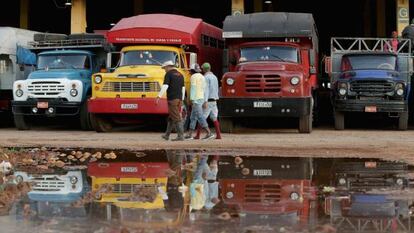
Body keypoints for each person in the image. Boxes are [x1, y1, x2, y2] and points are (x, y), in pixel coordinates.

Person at [156, 60, 185, 141]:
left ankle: (180, 136)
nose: (164, 69)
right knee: (171, 117)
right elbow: (183, 88)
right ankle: (167, 135)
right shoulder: (180, 74)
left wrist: (159, 96)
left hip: (172, 99)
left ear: (168, 67)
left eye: (165, 68)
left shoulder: (168, 74)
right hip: (179, 98)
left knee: (176, 117)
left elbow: (165, 85)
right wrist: (182, 99)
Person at [185, 64, 214, 140]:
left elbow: (193, 88)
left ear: (192, 71)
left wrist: (191, 99)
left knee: (200, 116)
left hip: (196, 99)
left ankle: (209, 133)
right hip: (201, 98)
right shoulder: (202, 76)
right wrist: (205, 100)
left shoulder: (193, 77)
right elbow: (204, 89)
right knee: (193, 117)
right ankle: (190, 134)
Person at [194, 62, 222, 139]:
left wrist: (205, 101)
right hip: (214, 100)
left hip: (208, 100)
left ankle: (198, 135)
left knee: (201, 117)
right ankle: (218, 135)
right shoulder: (215, 77)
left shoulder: (205, 78)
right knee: (214, 118)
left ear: (204, 69)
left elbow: (206, 90)